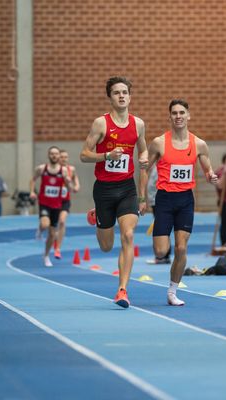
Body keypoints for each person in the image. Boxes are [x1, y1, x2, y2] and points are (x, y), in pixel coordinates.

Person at [80, 76, 148, 308]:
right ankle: (97, 214)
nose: (121, 96)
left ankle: (122, 290)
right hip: (104, 190)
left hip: (126, 188)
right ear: (110, 97)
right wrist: (106, 156)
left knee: (128, 235)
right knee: (106, 246)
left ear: (130, 96)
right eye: (116, 92)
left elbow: (143, 154)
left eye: (125, 92)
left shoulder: (138, 124)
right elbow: (84, 154)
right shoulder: (101, 124)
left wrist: (142, 194)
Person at [147, 98, 218, 306]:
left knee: (180, 249)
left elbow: (207, 170)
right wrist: (142, 198)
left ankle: (172, 291)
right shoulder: (160, 142)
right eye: (174, 113)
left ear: (188, 115)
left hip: (186, 199)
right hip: (164, 199)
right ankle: (165, 249)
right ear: (170, 116)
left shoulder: (199, 144)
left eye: (181, 113)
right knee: (161, 251)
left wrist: (212, 176)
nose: (178, 116)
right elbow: (145, 168)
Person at [29, 146, 73, 267]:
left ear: (59, 156)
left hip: (57, 205)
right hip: (44, 203)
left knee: (53, 234)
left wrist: (69, 183)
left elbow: (69, 188)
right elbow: (33, 180)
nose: (54, 156)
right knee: (45, 224)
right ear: (49, 155)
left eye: (56, 154)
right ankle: (40, 228)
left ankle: (46, 255)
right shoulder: (42, 168)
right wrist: (32, 191)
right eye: (52, 154)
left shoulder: (63, 171)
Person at [53, 149, 81, 259]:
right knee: (53, 227)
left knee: (62, 221)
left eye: (66, 157)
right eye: (61, 157)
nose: (64, 159)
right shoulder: (54, 169)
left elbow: (76, 182)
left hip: (65, 200)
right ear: (58, 159)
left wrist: (76, 186)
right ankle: (54, 238)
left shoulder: (71, 169)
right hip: (53, 201)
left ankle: (58, 249)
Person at [146, 164, 171, 264]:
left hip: (159, 201)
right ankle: (163, 255)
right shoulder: (155, 166)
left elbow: (157, 185)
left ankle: (164, 256)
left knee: (162, 228)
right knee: (161, 228)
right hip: (154, 202)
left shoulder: (161, 166)